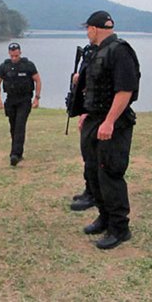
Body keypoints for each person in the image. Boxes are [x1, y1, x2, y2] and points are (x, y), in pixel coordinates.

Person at [78, 11, 140, 249]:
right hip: (95, 118)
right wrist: (86, 113)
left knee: (110, 173)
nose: (87, 33)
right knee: (93, 170)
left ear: (94, 28)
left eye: (87, 29)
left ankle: (119, 228)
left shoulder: (120, 51)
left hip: (113, 121)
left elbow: (125, 90)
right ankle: (104, 217)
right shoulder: (97, 51)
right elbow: (94, 88)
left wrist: (109, 121)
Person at [0, 42, 42, 166]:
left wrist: (36, 98)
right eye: (12, 56)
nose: (14, 58)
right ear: (9, 54)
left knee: (20, 125)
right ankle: (17, 152)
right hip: (11, 100)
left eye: (16, 55)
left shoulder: (28, 65)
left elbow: (37, 80)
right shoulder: (4, 66)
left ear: (20, 52)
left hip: (24, 100)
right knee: (13, 126)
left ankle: (15, 154)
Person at [69, 44, 98, 211]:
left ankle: (93, 194)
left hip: (94, 112)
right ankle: (89, 189)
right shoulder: (88, 52)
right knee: (87, 154)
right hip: (87, 109)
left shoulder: (104, 54)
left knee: (93, 156)